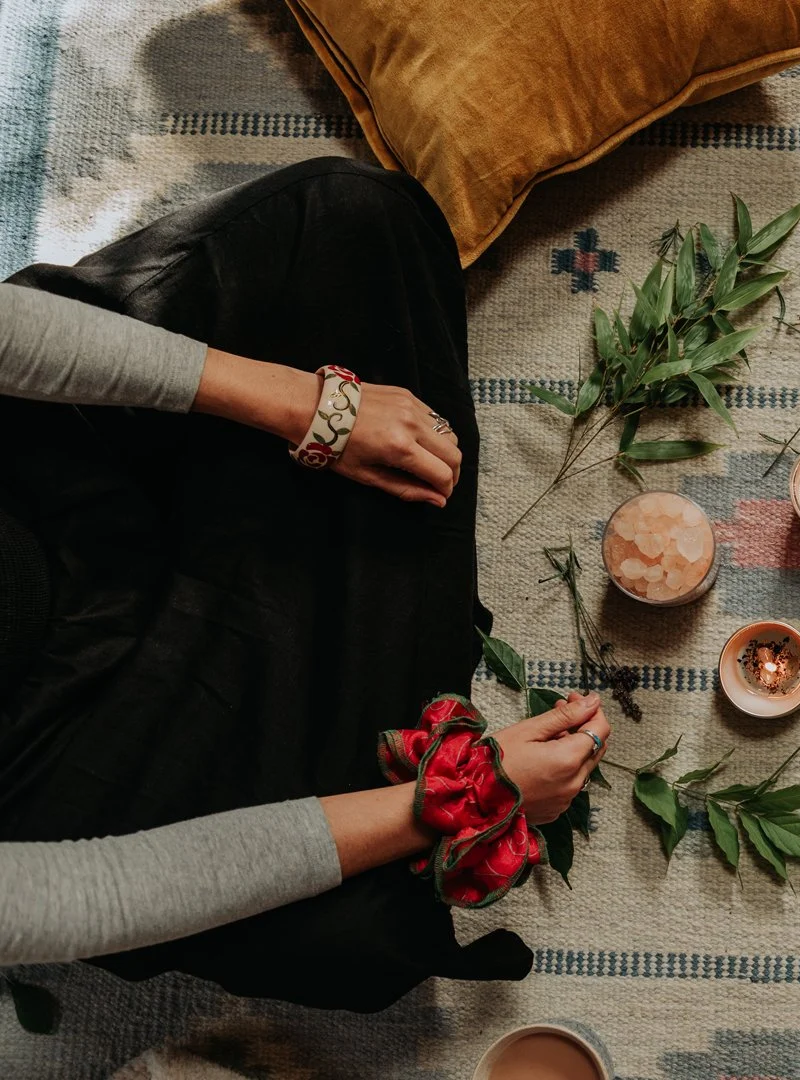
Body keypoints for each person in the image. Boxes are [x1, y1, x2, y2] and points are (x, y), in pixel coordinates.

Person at [0, 158, 608, 1011]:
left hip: (45, 471)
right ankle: (386, 638)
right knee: (350, 936)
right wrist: (449, 797)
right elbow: (104, 889)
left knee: (349, 220)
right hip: (54, 742)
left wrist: (312, 410)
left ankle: (384, 626)